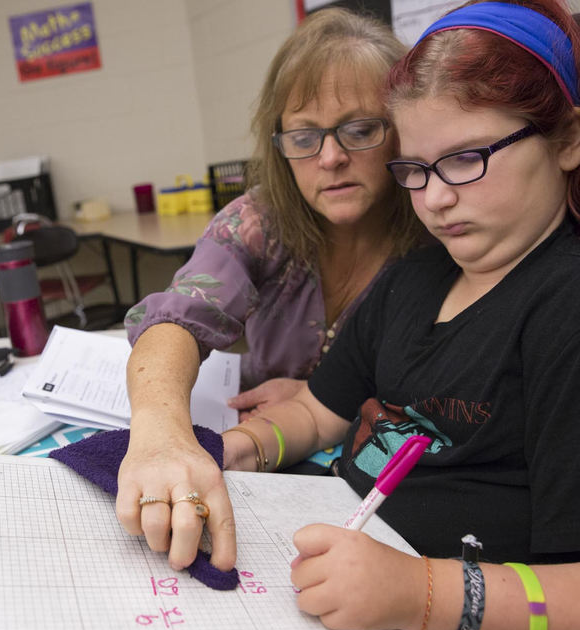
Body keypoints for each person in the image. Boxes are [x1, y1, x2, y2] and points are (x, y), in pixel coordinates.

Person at [217, 0, 580, 630]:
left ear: (568, 140)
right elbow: (321, 409)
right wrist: (244, 446)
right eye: (414, 169)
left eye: (465, 159)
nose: (433, 198)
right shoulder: (414, 282)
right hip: (338, 596)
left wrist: (421, 594)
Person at [118, 8, 424, 576]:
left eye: (359, 130)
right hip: (264, 461)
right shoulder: (260, 222)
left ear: (401, 128)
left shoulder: (436, 234)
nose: (330, 158)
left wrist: (319, 392)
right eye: (305, 137)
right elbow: (178, 320)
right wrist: (162, 435)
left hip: (373, 497)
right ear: (278, 141)